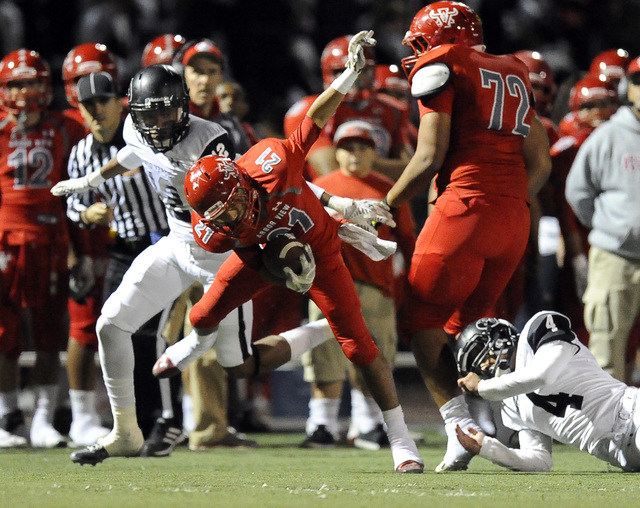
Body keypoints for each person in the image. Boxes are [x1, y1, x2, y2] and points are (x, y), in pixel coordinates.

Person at [51, 58, 384, 465]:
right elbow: (132, 155)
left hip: (220, 255)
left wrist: (338, 204)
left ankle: (323, 329)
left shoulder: (209, 140)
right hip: (176, 243)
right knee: (110, 324)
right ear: (134, 111)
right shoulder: (133, 128)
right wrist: (91, 181)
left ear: (184, 106)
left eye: (165, 111)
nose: (156, 123)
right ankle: (125, 431)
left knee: (239, 366)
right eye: (148, 113)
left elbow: (275, 176)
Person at [159, 30, 424, 474]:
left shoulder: (271, 162)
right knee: (202, 317)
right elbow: (247, 229)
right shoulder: (216, 230)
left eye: (235, 204)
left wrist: (345, 81)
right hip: (260, 254)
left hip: (319, 249)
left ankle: (400, 439)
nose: (231, 216)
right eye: (221, 215)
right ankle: (195, 344)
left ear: (244, 183)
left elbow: (313, 125)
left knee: (360, 346)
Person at [382, 2, 552, 472]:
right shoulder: (515, 69)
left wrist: (386, 203)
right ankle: (520, 428)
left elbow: (428, 158)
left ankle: (462, 428)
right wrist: (509, 198)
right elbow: (541, 162)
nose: (418, 53)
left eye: (420, 43)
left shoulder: (444, 65)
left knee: (420, 324)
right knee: (468, 332)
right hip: (512, 218)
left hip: (465, 209)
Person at [300, 120, 416, 450]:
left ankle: (368, 425)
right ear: (335, 152)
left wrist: (410, 283)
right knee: (325, 357)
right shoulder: (319, 187)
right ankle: (322, 424)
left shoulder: (388, 190)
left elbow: (407, 237)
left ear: (374, 153)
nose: (355, 154)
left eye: (362, 147)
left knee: (376, 356)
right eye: (348, 147)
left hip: (376, 284)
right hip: (326, 282)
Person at [0, 49, 86, 448]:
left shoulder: (66, 126)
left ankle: (43, 420)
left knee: (51, 333)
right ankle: (6, 416)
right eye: (16, 83)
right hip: (5, 239)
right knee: (5, 335)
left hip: (51, 238)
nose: (24, 91)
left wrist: (78, 246)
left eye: (31, 82)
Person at [455, 311, 640, 472]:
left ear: (498, 335)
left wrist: (482, 388)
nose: (482, 364)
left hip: (633, 414)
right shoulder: (509, 403)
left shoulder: (540, 327)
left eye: (479, 351)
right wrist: (487, 448)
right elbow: (539, 459)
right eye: (474, 364)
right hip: (624, 455)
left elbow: (542, 375)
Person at [565, 56, 640, 383]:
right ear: (628, 88)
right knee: (606, 351)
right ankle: (607, 434)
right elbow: (578, 191)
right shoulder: (608, 135)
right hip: (616, 257)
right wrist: (612, 229)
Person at [61, 42, 121, 448]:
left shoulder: (131, 124)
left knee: (124, 328)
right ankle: (82, 416)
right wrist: (71, 250)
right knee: (84, 326)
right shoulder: (64, 128)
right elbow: (59, 196)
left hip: (125, 240)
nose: (93, 101)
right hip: (82, 236)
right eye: (83, 87)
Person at [283, 34, 413, 180]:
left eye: (361, 70)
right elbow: (330, 172)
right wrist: (371, 163)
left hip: (381, 196)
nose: (353, 77)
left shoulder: (391, 109)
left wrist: (356, 163)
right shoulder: (308, 109)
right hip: (326, 200)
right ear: (327, 73)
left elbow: (411, 171)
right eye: (342, 71)